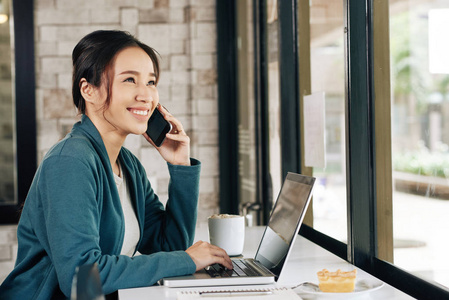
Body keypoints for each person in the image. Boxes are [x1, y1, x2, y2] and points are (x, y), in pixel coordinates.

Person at [0, 30, 232, 299]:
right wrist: (187, 260)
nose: (146, 95)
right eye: (130, 80)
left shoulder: (127, 165)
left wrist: (180, 166)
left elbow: (170, 247)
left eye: (151, 81)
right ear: (89, 90)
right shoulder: (70, 162)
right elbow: (81, 278)